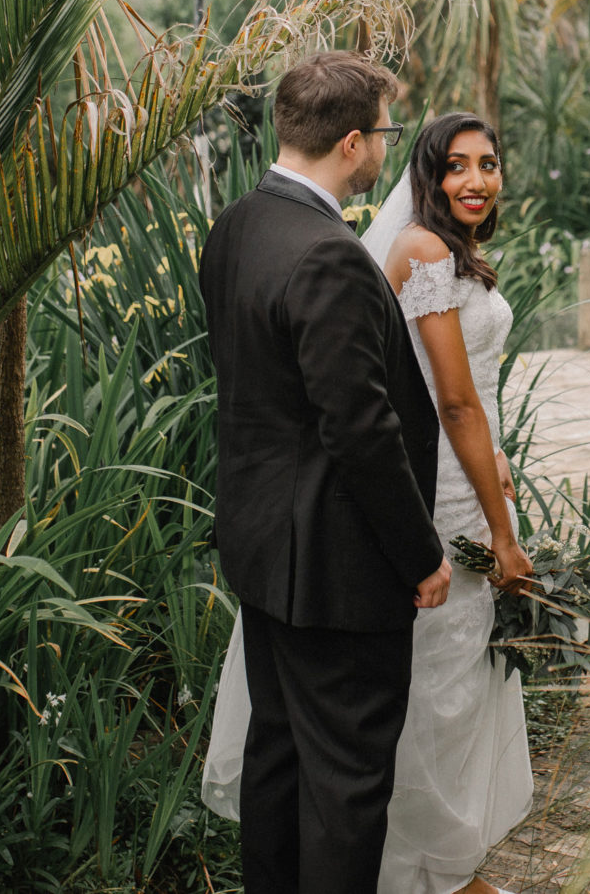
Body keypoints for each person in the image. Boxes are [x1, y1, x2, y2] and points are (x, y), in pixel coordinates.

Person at [203, 109, 536, 894]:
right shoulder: (416, 250)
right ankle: (429, 866)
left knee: (433, 689)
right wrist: (499, 530)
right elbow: (451, 406)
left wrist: (497, 463)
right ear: (411, 164)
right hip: (433, 496)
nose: (476, 179)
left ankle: (438, 863)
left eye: (488, 163)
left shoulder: (255, 227)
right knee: (425, 694)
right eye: (456, 165)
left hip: (448, 477)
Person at [197, 52, 453, 894]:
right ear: (353, 142)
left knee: (279, 756)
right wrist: (420, 554)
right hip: (337, 567)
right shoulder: (329, 255)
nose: (387, 148)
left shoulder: (238, 224)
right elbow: (361, 429)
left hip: (262, 547)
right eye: (384, 132)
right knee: (346, 782)